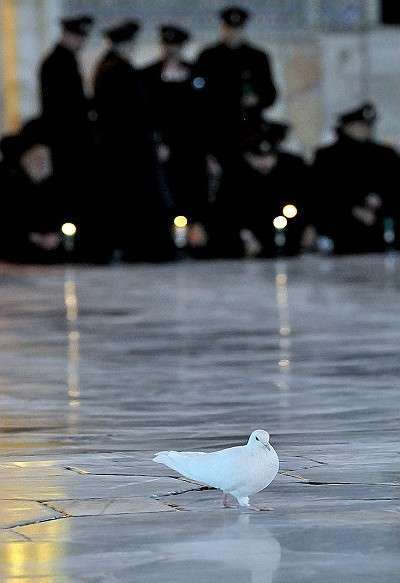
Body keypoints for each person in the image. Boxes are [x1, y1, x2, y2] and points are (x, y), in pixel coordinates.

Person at [93, 20, 175, 262]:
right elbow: (134, 112)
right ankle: (147, 249)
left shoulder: (109, 67)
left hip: (126, 146)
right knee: (140, 199)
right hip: (131, 148)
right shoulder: (117, 69)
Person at [142, 25, 209, 251]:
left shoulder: (196, 73)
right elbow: (145, 114)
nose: (171, 50)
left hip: (192, 147)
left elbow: (205, 113)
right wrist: (157, 142)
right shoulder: (148, 75)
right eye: (167, 45)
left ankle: (193, 238)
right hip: (164, 148)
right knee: (167, 192)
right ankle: (167, 240)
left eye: (176, 46)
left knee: (193, 190)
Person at [209, 120, 309, 258]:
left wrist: (307, 228)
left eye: (269, 156)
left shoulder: (292, 167)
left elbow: (305, 200)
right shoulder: (235, 174)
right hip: (248, 241)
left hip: (290, 241)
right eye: (257, 157)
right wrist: (244, 236)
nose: (264, 162)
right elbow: (225, 210)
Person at [194, 6, 277, 165]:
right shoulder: (208, 57)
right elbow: (197, 91)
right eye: (228, 28)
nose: (232, 33)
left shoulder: (258, 57)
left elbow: (271, 94)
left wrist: (257, 99)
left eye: (236, 29)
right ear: (222, 28)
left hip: (249, 128)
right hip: (217, 128)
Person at [312, 103, 399, 254]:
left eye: (367, 125)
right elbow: (323, 193)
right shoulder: (328, 156)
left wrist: (381, 203)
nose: (364, 130)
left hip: (382, 230)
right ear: (347, 126)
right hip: (343, 233)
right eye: (359, 125)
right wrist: (353, 208)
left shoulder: (385, 154)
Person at [39, 15, 94, 240]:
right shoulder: (58, 62)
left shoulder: (63, 59)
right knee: (69, 192)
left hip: (69, 139)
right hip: (66, 141)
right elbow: (65, 107)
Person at [0, 119, 65, 263]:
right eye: (36, 157)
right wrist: (33, 238)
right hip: (14, 255)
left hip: (55, 257)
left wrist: (58, 236)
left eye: (44, 158)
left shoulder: (54, 185)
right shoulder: (8, 181)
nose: (41, 162)